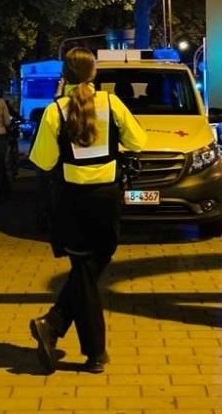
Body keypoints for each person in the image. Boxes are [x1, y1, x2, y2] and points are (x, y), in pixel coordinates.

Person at [27, 48, 147, 375]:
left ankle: (56, 325)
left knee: (82, 270)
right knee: (91, 268)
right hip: (106, 199)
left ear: (64, 75)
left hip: (71, 199)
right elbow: (138, 142)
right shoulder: (112, 104)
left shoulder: (55, 111)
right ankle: (89, 351)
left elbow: (43, 161)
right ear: (94, 73)